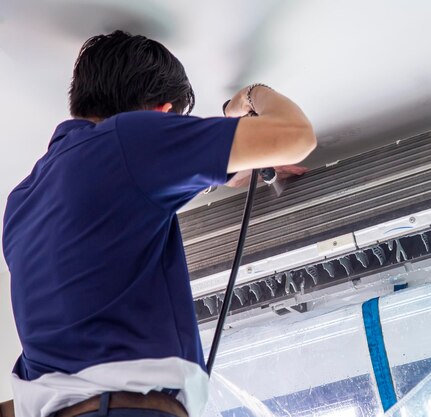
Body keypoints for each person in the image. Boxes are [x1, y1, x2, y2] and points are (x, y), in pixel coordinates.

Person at [1, 30, 316, 417]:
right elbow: (296, 136)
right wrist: (250, 95)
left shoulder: (23, 199)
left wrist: (226, 167)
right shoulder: (130, 138)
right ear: (161, 115)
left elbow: (126, 205)